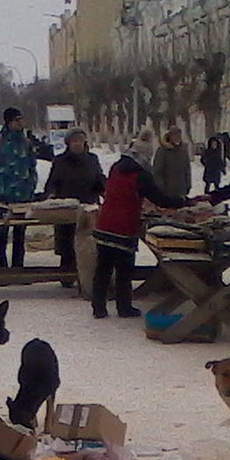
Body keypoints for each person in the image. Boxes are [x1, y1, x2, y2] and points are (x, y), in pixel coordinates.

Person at [91, 131, 189, 319]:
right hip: (124, 225)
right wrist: (183, 202)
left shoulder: (116, 167)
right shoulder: (140, 175)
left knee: (102, 267)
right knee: (124, 269)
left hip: (105, 223)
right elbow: (160, 198)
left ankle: (98, 307)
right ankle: (124, 306)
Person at [43, 127, 105, 278]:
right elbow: (52, 182)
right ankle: (67, 274)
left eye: (80, 140)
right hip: (66, 208)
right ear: (68, 143)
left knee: (87, 244)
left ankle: (88, 275)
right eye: (74, 141)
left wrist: (106, 190)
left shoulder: (92, 159)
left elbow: (99, 179)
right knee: (67, 243)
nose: (77, 144)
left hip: (88, 208)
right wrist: (51, 195)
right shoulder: (60, 161)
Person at [0, 107, 38, 268]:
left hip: (23, 199)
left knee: (20, 236)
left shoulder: (26, 143)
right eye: (17, 120)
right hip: (3, 200)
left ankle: (18, 268)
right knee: (0, 236)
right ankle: (0, 269)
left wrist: (30, 187)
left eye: (21, 119)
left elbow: (32, 167)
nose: (21, 123)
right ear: (9, 122)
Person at [152, 125, 192, 198]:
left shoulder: (183, 150)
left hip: (181, 190)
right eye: (174, 135)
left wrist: (188, 184)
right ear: (170, 137)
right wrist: (161, 186)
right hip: (167, 191)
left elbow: (187, 169)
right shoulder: (163, 150)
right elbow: (157, 170)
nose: (177, 137)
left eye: (178, 135)